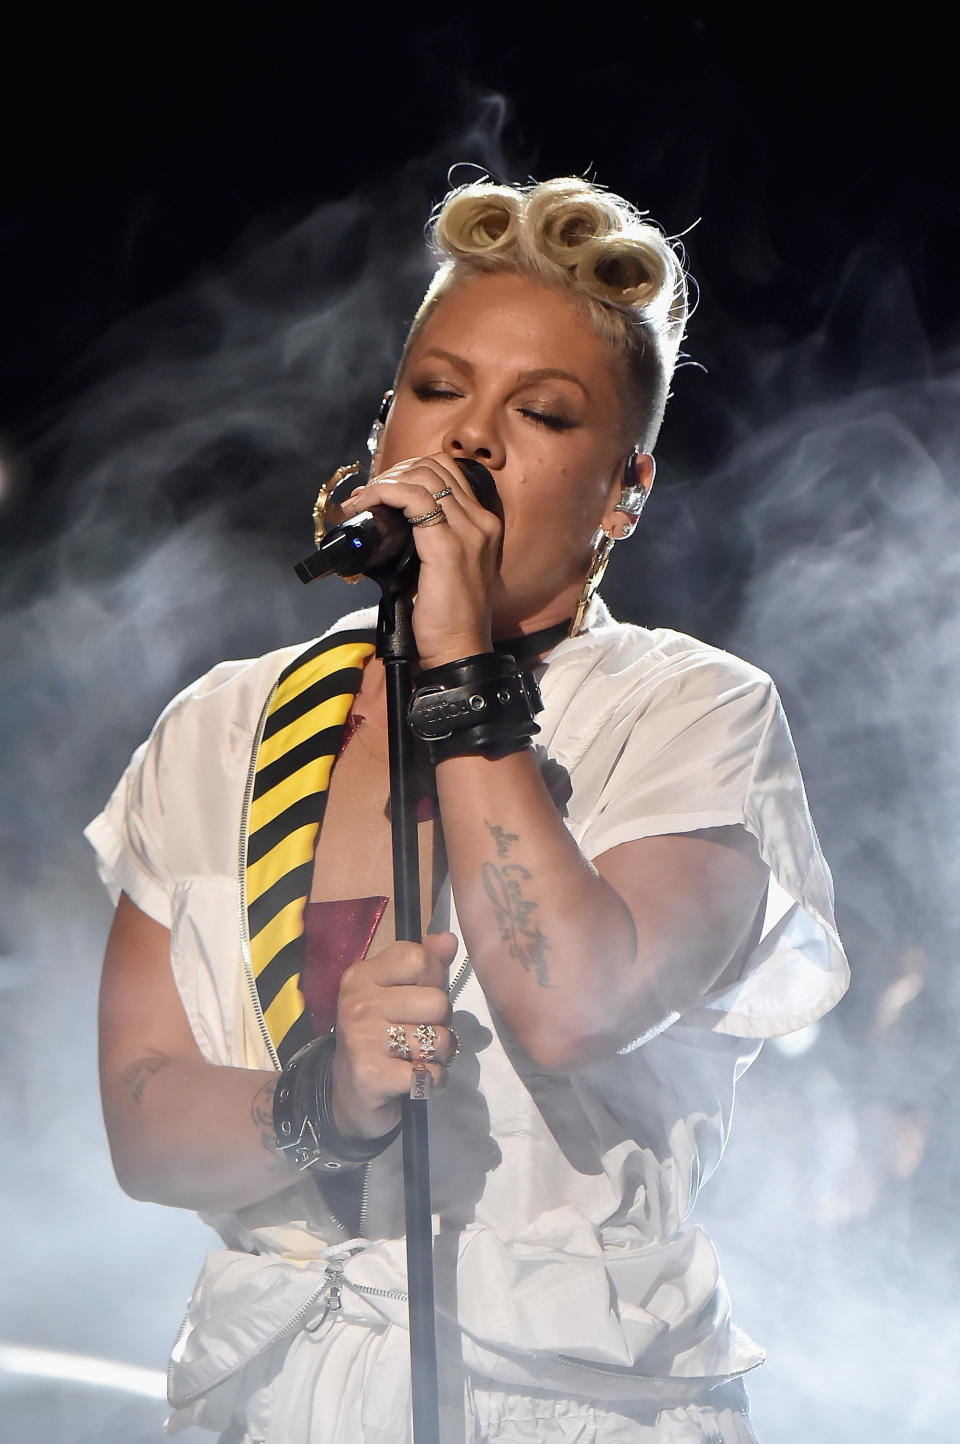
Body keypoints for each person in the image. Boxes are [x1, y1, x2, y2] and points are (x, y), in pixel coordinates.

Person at [86, 177, 849, 1443]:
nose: (471, 441)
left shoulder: (690, 712)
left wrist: (453, 665)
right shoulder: (221, 724)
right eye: (437, 391)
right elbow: (145, 1121)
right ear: (383, 430)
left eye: (542, 413)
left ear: (626, 489)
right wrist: (323, 1104)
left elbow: (568, 1006)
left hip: (569, 1406)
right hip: (273, 1399)